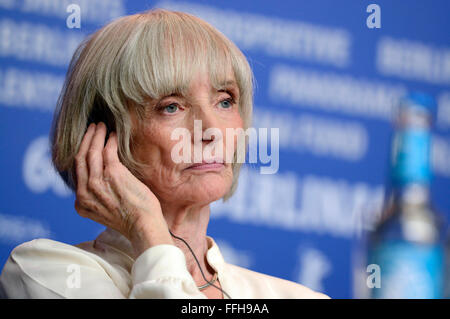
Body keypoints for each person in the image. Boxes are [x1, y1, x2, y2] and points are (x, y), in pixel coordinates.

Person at [0, 9, 329, 299]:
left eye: (225, 101)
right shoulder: (43, 273)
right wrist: (147, 226)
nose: (211, 130)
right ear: (101, 138)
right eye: (171, 106)